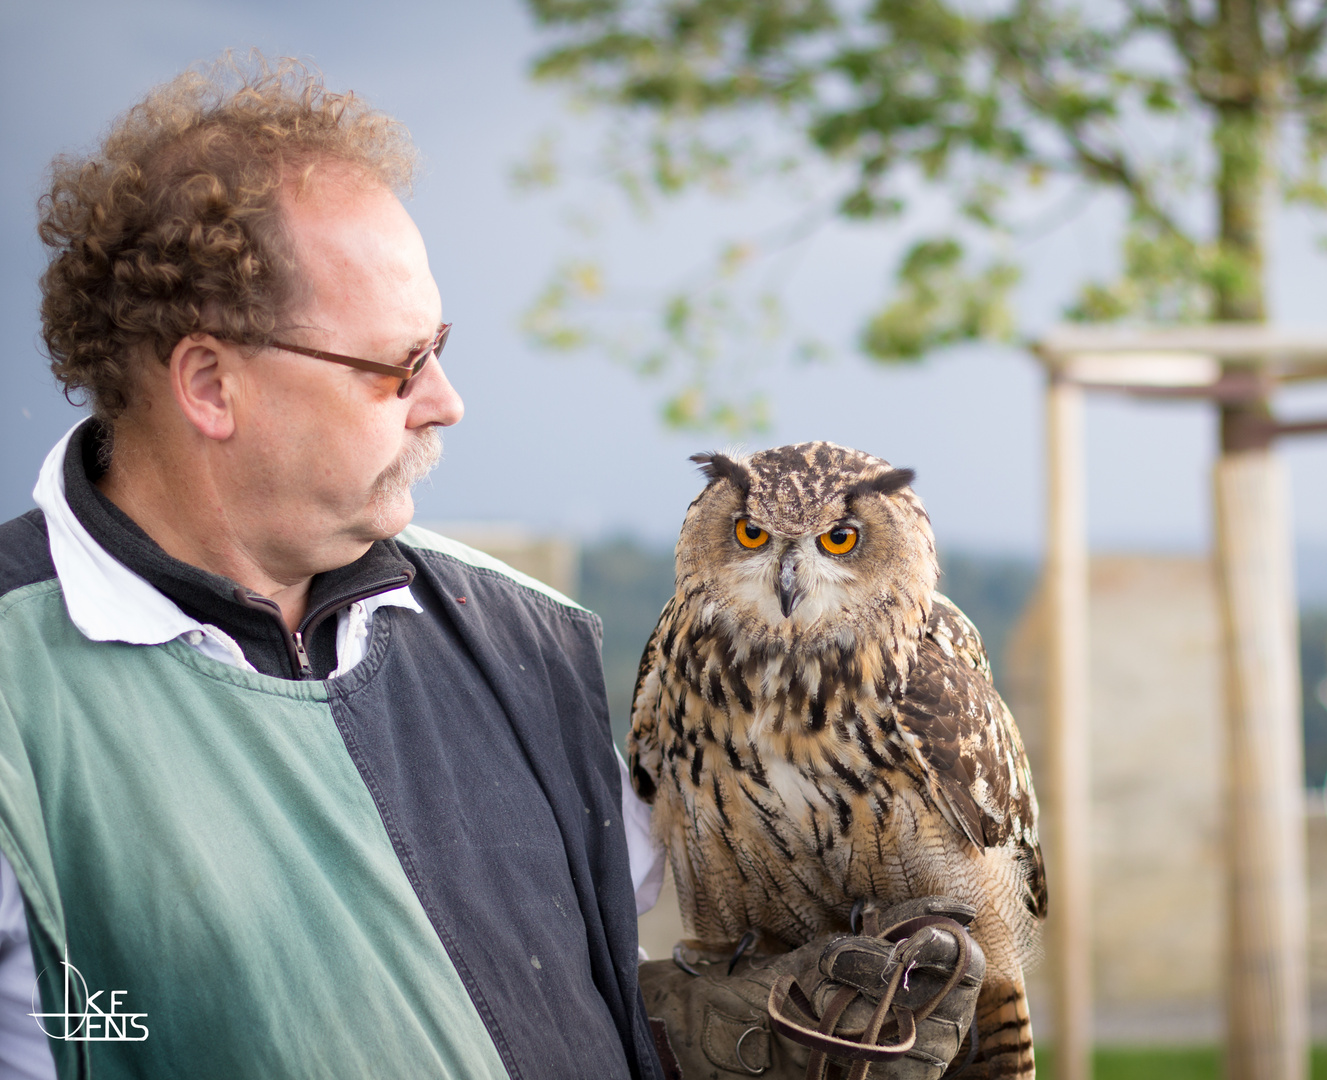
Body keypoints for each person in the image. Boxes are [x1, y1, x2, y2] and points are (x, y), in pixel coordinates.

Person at [0, 56, 983, 1080]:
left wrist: (701, 1043)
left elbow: (549, 983)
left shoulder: (518, 638)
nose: (447, 401)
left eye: (443, 347)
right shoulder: (21, 688)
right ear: (211, 383)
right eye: (398, 366)